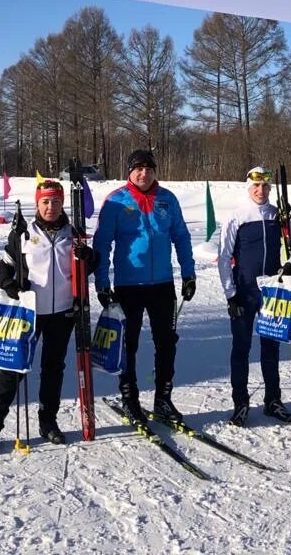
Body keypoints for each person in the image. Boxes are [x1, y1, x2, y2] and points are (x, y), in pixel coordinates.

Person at [0, 179, 97, 456]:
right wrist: (10, 286)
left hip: (62, 312)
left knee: (53, 370)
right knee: (12, 370)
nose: (51, 207)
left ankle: (48, 421)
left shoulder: (73, 234)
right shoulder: (23, 234)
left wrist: (89, 257)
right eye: (45, 201)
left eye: (55, 201)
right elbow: (4, 268)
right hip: (29, 313)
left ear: (62, 202)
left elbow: (90, 266)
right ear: (37, 204)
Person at [92, 149, 195, 425]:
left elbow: (182, 238)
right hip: (129, 286)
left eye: (149, 168)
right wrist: (102, 282)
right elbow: (102, 244)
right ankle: (130, 399)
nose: (144, 173)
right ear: (129, 171)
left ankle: (163, 399)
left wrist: (189, 274)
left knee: (167, 343)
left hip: (162, 285)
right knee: (129, 344)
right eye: (138, 168)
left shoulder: (167, 199)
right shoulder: (116, 201)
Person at [218, 166, 291, 426]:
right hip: (244, 291)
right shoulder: (237, 215)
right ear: (248, 187)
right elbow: (224, 257)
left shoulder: (278, 216)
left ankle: (273, 401)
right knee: (241, 348)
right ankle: (241, 403)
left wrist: (290, 264)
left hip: (272, 292)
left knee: (271, 348)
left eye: (266, 186)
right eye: (256, 186)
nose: (261, 191)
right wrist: (230, 294)